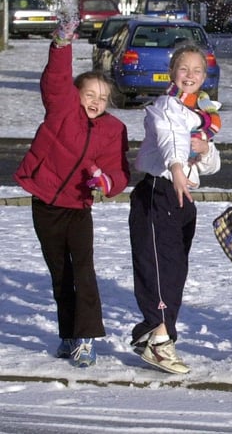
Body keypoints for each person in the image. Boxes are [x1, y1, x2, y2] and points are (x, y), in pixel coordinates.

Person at [14, 18, 130, 368]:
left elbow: (119, 172)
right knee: (60, 273)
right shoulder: (61, 110)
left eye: (103, 98)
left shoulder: (113, 129)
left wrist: (107, 183)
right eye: (90, 94)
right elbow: (55, 80)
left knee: (83, 271)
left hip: (78, 208)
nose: (96, 101)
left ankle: (87, 339)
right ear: (76, 94)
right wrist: (61, 45)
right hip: (45, 203)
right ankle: (67, 335)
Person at [128, 43, 221, 374]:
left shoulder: (201, 116)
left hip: (184, 200)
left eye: (197, 71)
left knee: (176, 272)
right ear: (173, 73)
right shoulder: (164, 106)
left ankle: (151, 334)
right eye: (184, 69)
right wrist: (178, 168)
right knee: (159, 268)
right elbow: (169, 141)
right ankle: (159, 339)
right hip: (160, 191)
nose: (190, 76)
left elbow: (211, 165)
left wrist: (205, 149)